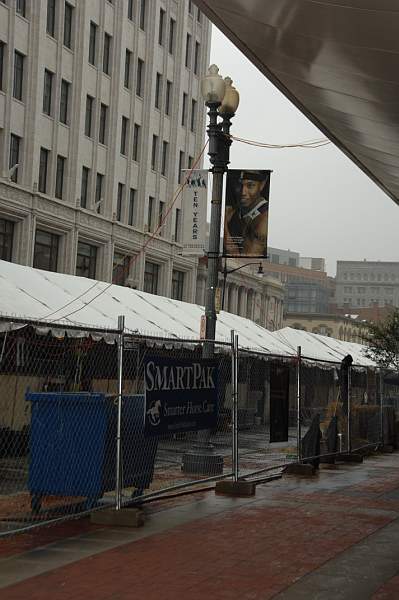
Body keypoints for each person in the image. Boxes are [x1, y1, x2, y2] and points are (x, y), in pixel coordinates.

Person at [224, 170, 269, 256]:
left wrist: (225, 224)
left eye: (250, 185)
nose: (243, 193)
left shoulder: (262, 220)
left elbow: (235, 252)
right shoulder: (237, 211)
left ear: (262, 185)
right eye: (240, 185)